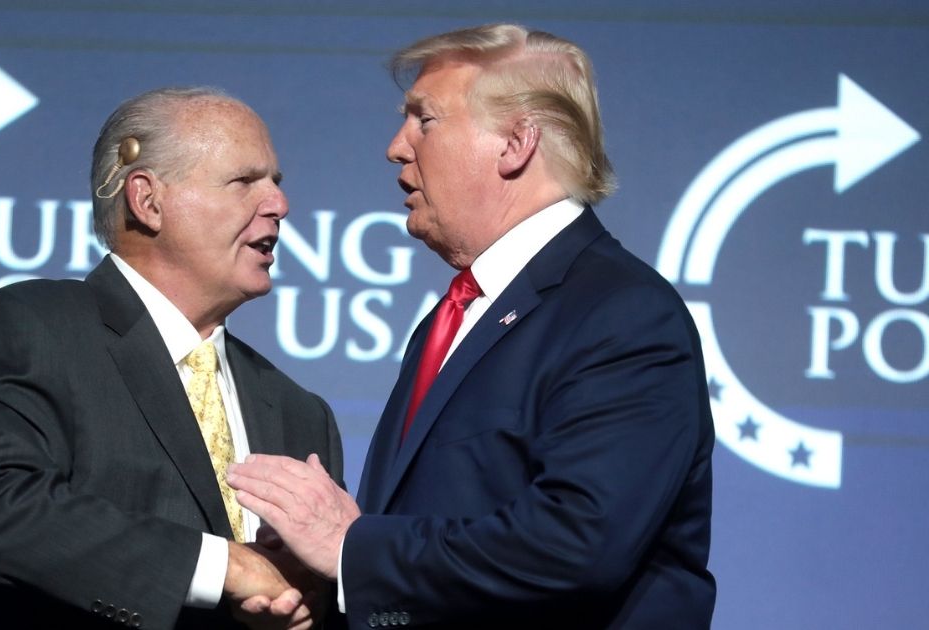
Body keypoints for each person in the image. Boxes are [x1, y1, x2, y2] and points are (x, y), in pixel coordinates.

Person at [228, 24, 716, 628]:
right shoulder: (455, 315)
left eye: (424, 120)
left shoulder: (623, 314)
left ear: (515, 143)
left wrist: (353, 550)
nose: (396, 147)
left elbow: (577, 543)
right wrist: (324, 583)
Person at [0, 87, 344, 630]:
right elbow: (3, 514)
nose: (278, 205)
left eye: (276, 183)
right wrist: (223, 566)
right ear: (147, 200)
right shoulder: (34, 328)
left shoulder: (299, 411)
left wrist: (307, 598)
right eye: (244, 181)